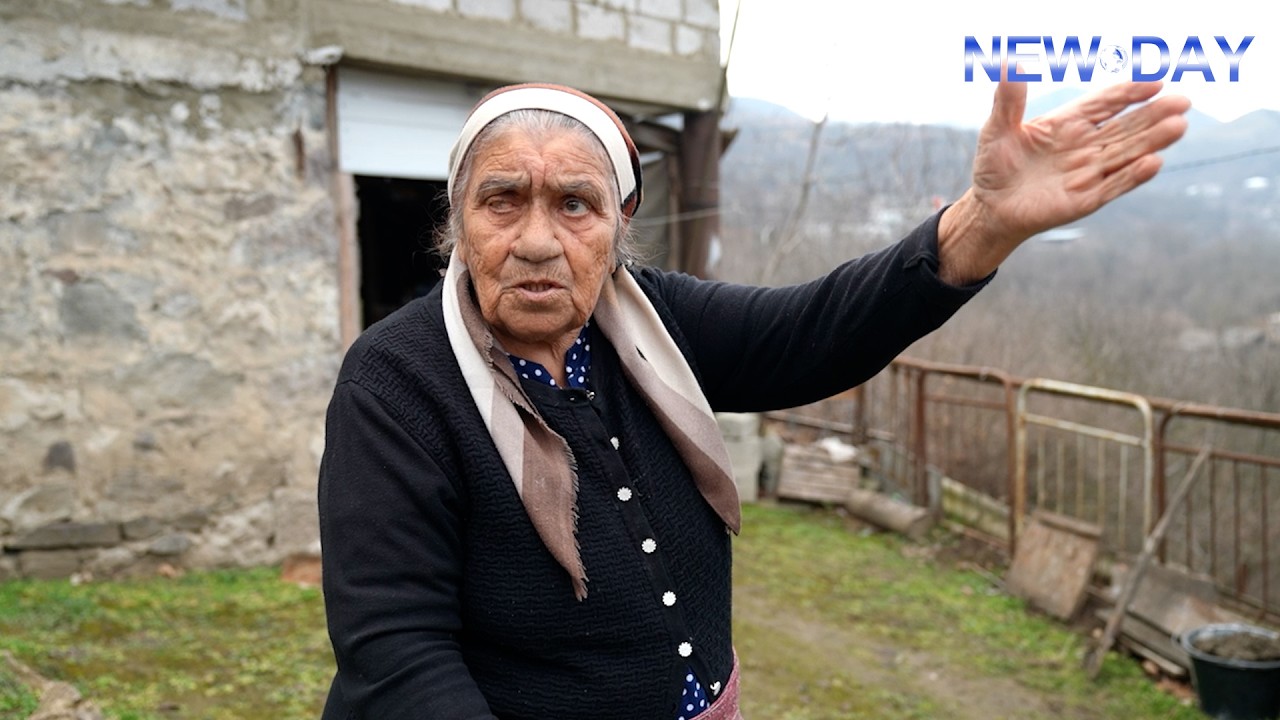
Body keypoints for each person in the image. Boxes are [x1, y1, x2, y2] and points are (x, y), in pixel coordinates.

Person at [317, 76, 1189, 719]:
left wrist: (982, 225)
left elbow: (816, 332)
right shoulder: (397, 385)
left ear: (618, 229)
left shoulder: (655, 321)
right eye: (502, 201)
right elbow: (398, 652)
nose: (538, 239)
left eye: (575, 205)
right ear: (458, 222)